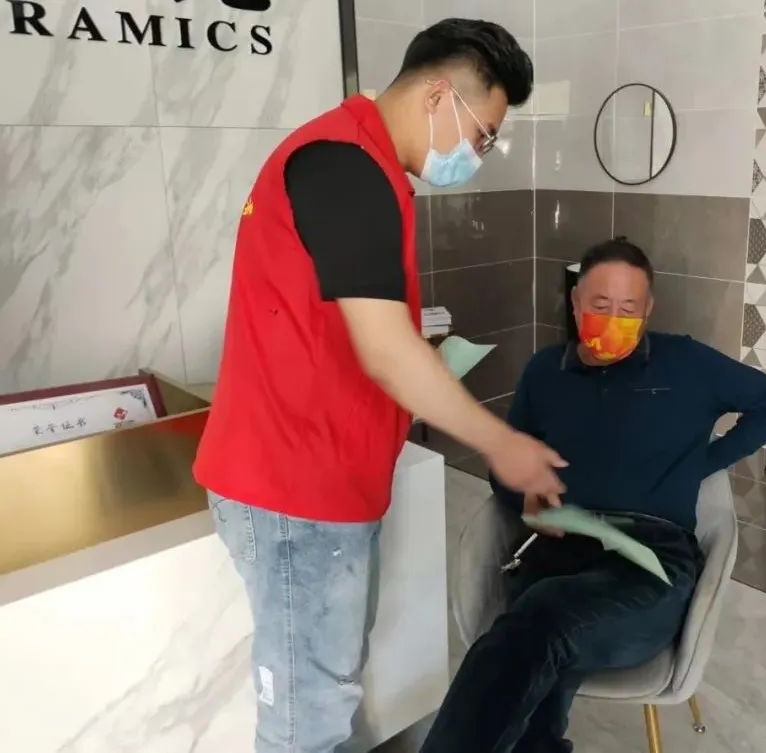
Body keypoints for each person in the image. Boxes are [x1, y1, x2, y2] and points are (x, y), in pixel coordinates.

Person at [193, 19, 565, 753]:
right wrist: (501, 442)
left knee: (325, 693)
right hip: (294, 492)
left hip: (319, 482)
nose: (477, 154)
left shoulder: (359, 163)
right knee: (306, 722)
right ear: (438, 95)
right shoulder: (344, 166)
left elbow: (353, 331)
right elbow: (387, 352)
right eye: (483, 135)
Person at [420, 239, 766, 753]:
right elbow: (509, 464)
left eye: (628, 309)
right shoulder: (545, 371)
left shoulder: (686, 363)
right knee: (535, 649)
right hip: (559, 550)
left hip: (650, 563)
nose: (613, 320)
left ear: (648, 310)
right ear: (576, 302)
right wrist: (525, 499)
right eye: (600, 305)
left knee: (538, 623)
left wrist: (701, 463)